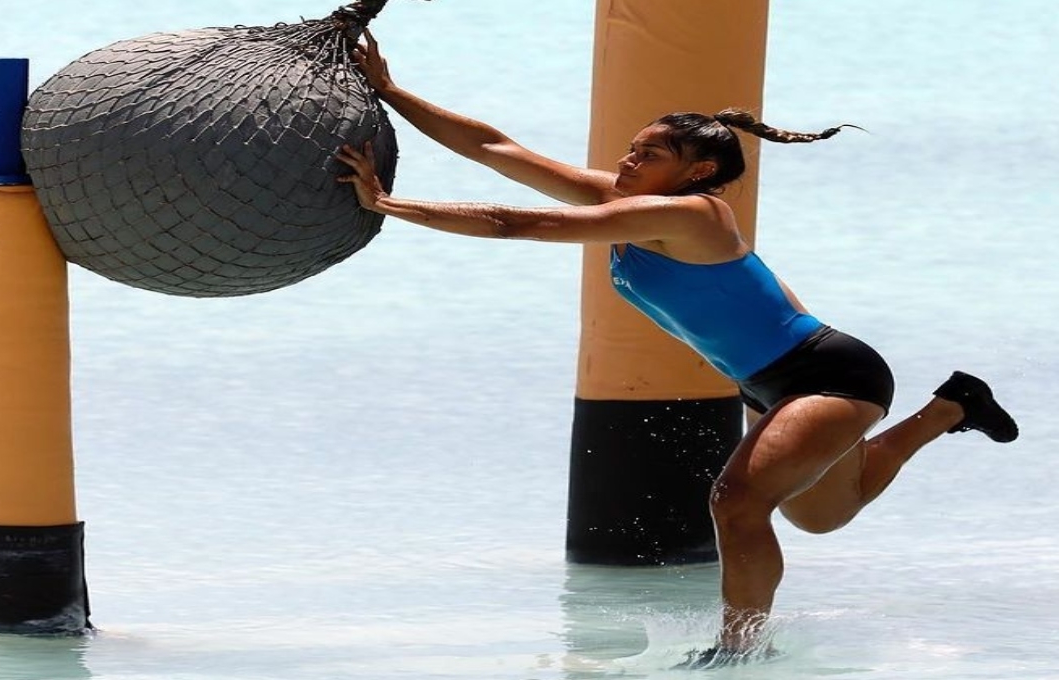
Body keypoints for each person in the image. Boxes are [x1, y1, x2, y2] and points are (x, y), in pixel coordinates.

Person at [336, 30, 1019, 668]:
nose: (630, 159)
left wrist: (391, 206)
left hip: (829, 374)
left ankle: (740, 653)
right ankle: (950, 409)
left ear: (700, 171)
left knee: (736, 501)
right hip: (768, 385)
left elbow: (522, 223)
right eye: (633, 149)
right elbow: (496, 150)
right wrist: (393, 93)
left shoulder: (694, 216)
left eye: (651, 154)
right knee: (823, 514)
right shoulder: (624, 203)